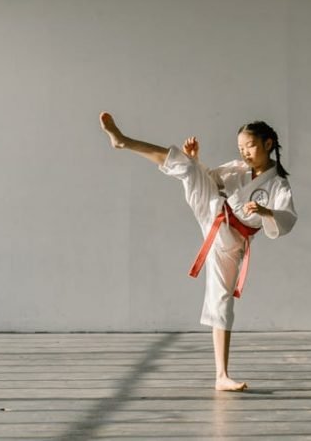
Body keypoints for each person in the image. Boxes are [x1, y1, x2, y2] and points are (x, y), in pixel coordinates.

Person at [99, 112, 297, 391]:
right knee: (188, 167)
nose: (244, 153)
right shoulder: (238, 168)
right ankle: (124, 141)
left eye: (250, 146)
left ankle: (221, 376)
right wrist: (196, 159)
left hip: (231, 241)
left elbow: (287, 219)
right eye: (241, 148)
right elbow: (211, 180)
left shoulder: (278, 184)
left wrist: (267, 212)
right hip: (214, 212)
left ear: (268, 143)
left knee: (222, 300)